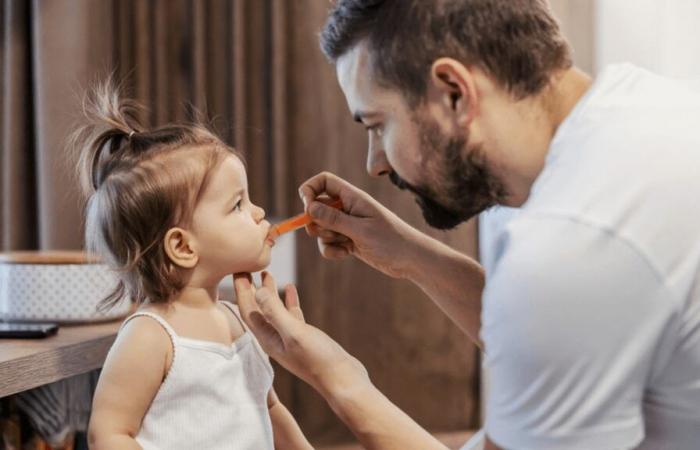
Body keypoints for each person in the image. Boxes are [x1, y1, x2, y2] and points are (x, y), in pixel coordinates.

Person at [236, 1, 700, 449]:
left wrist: (336, 377)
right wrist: (409, 254)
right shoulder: (648, 107)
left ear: (454, 92)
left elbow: (555, 303)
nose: (375, 164)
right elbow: (572, 337)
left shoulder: (568, 246)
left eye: (377, 126)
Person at [72, 81, 311, 450]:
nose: (259, 212)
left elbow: (270, 406)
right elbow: (108, 433)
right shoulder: (151, 336)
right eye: (238, 205)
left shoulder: (238, 319)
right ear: (183, 246)